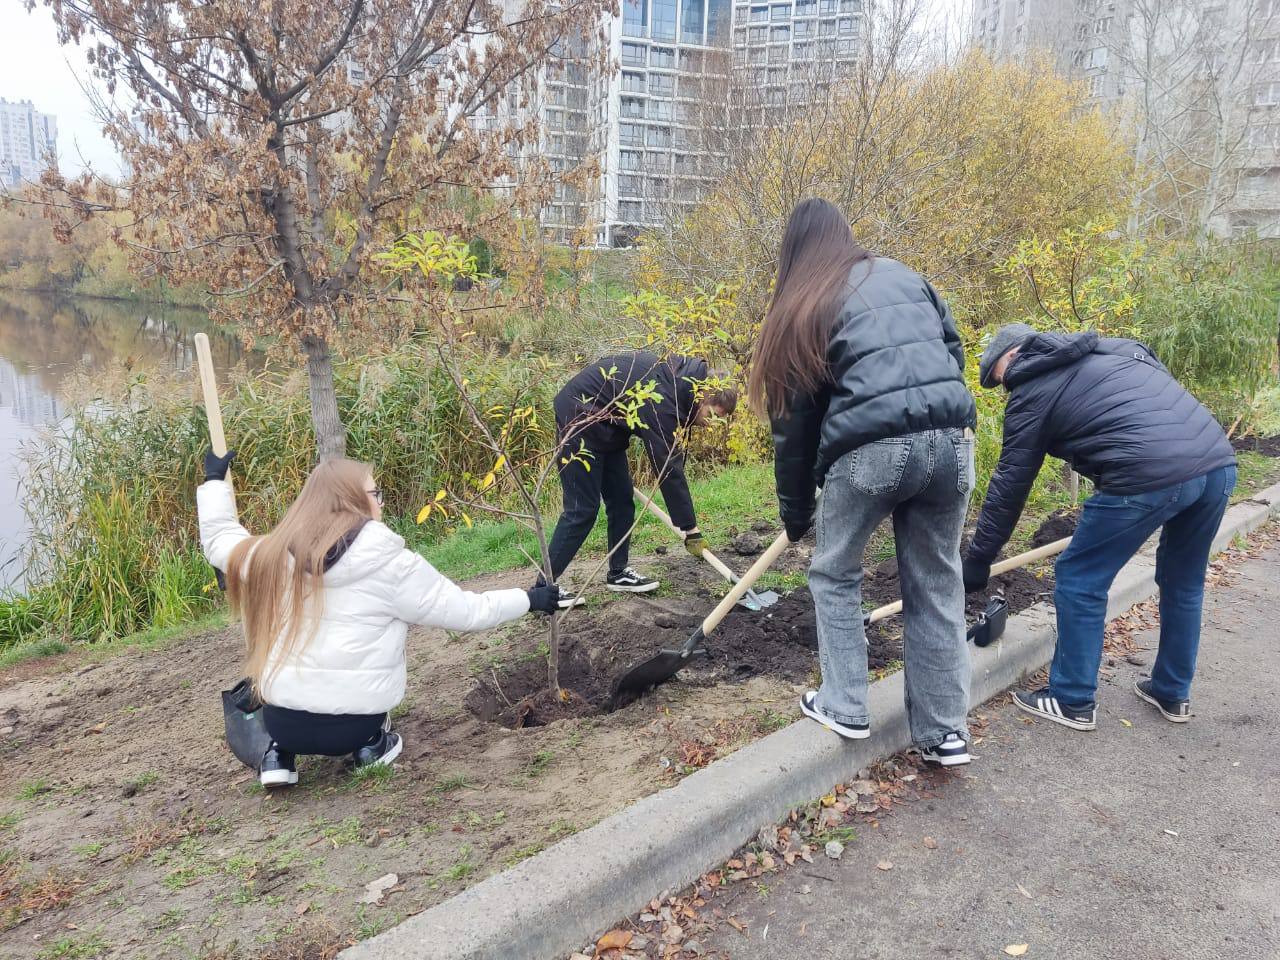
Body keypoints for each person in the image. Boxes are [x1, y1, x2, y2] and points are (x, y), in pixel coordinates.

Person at [750, 197, 978, 767]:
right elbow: (950, 352)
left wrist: (796, 510)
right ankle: (945, 732)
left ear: (794, 250)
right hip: (953, 441)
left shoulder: (805, 301)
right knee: (936, 580)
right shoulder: (904, 273)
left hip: (873, 451)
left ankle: (845, 703)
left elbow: (794, 424)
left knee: (834, 572)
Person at [198, 452, 563, 788]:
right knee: (364, 710)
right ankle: (371, 747)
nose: (381, 501)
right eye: (375, 492)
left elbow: (221, 541)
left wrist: (214, 481)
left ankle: (279, 755)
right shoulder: (393, 566)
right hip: (352, 727)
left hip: (282, 721)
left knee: (289, 686)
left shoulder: (272, 555)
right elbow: (467, 611)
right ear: (352, 502)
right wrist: (529, 599)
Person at [964, 324, 1237, 732]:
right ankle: (1171, 691)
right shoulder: (1120, 349)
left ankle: (1072, 699)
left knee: (1079, 579)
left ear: (1014, 355)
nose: (1005, 387)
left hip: (1145, 474)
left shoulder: (1032, 391)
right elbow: (1152, 407)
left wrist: (978, 559)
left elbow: (1010, 484)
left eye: (999, 376)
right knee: (1184, 581)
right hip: (1217, 464)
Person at [543, 350, 737, 601]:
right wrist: (691, 528)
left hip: (607, 426)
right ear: (702, 398)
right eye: (713, 414)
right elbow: (667, 465)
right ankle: (543, 587)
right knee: (582, 510)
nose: (712, 423)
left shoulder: (680, 383)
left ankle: (618, 573)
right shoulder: (664, 399)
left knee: (622, 501)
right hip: (579, 417)